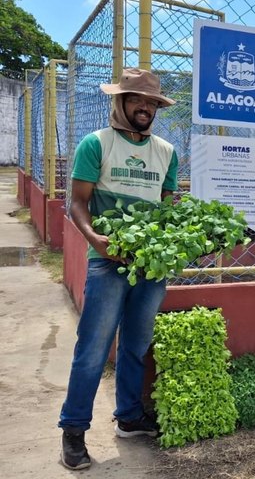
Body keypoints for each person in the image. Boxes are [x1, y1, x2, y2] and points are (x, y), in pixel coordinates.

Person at [58, 68, 178, 470]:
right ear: (120, 102)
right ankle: (73, 431)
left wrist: (195, 236)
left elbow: (168, 208)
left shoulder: (166, 151)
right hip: (107, 264)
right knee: (92, 348)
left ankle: (129, 417)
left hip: (151, 267)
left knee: (136, 345)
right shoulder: (96, 144)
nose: (145, 107)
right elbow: (78, 202)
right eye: (136, 100)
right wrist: (95, 239)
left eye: (151, 103)